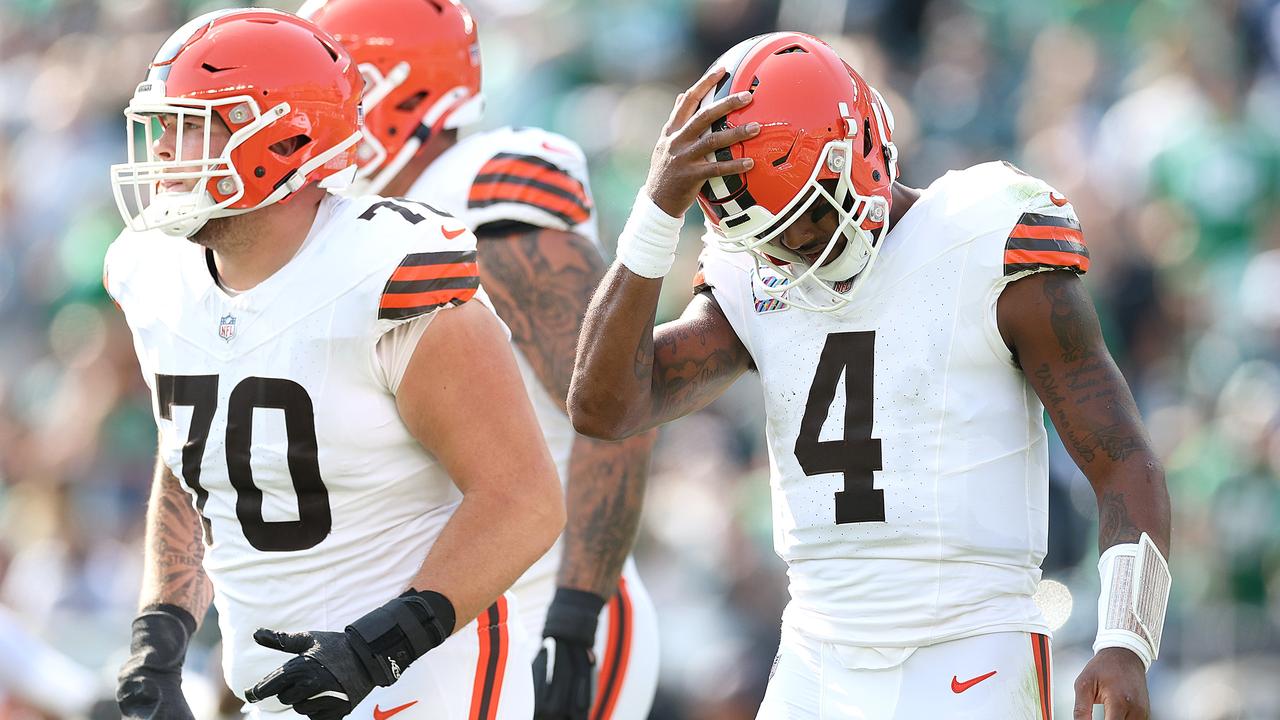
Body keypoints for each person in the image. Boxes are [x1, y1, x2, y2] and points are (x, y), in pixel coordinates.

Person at [569, 32, 1172, 720]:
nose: (794, 249)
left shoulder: (984, 238)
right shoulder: (754, 272)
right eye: (770, 235)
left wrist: (1126, 637)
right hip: (815, 655)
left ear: (859, 152)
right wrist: (655, 212)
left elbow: (1123, 459)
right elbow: (602, 406)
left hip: (971, 649)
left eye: (808, 217)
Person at [105, 9, 563, 720]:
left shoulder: (384, 274)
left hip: (421, 679)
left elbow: (524, 501)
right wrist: (158, 639)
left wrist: (376, 644)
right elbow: (196, 461)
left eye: (189, 124)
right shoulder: (155, 273)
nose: (164, 149)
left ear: (282, 137)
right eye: (163, 125)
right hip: (281, 690)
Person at [300, 1, 660, 718]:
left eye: (330, 88)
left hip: (537, 604)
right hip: (421, 619)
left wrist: (575, 618)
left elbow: (617, 406)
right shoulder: (340, 229)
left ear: (398, 88)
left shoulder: (478, 195)